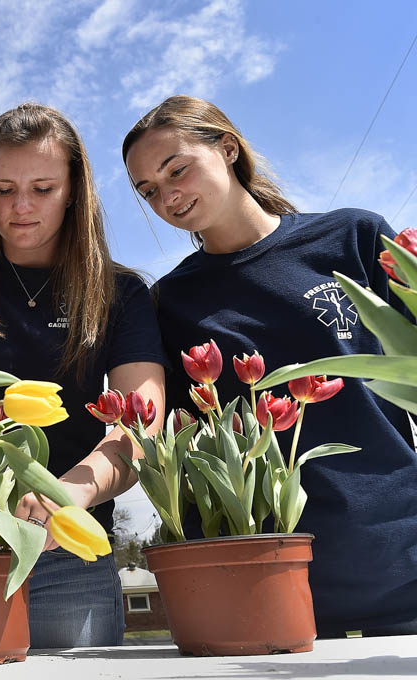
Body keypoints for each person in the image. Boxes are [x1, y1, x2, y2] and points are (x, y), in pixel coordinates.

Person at [122, 94, 417, 638]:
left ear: (227, 148)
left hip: (400, 556)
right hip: (267, 577)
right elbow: (162, 434)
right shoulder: (168, 303)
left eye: (177, 170)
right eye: (148, 191)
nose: (167, 196)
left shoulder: (352, 237)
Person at [0, 103, 167, 648]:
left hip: (64, 545)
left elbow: (137, 431)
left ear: (74, 190)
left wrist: (65, 495)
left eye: (43, 189)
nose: (21, 207)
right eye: (3, 189)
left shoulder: (120, 293)